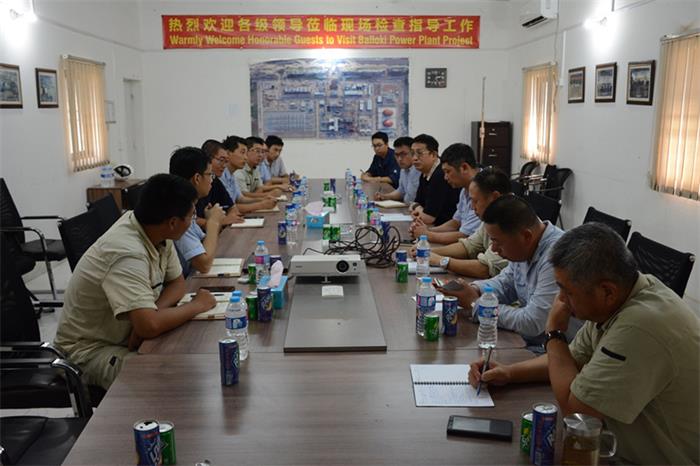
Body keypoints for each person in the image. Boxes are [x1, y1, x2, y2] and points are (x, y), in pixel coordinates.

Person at [468, 223, 699, 465]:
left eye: (567, 291)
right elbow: (572, 358)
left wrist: (554, 332)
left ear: (607, 291)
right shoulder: (622, 297)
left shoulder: (639, 326)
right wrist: (509, 373)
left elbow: (577, 412)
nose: (560, 300)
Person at [53, 174, 217, 389]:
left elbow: (177, 284)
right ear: (173, 222)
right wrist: (197, 305)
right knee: (171, 372)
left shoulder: (155, 230)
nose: (193, 221)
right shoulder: (126, 252)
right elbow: (150, 325)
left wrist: (149, 318)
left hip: (123, 336)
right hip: (88, 352)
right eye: (191, 216)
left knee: (188, 351)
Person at [439, 195, 582, 348]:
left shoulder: (557, 257)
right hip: (528, 341)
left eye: (497, 242)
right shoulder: (523, 248)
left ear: (526, 236)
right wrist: (475, 290)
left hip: (554, 350)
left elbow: (533, 323)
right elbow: (506, 283)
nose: (493, 249)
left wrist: (476, 305)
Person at [411, 167, 510, 278]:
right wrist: (429, 251)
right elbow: (468, 246)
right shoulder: (492, 216)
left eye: (476, 201)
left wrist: (441, 260)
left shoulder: (511, 220)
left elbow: (485, 269)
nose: (472, 207)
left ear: (495, 197)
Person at [169, 146, 225, 277]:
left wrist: (211, 221)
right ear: (197, 178)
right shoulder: (178, 211)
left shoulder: (189, 204)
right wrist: (213, 222)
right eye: (210, 175)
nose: (212, 180)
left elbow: (204, 242)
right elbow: (204, 265)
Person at [410, 143, 481, 244]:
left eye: (448, 172)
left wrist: (426, 235)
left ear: (464, 168)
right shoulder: (465, 189)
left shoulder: (483, 189)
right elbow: (456, 222)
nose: (445, 177)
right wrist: (426, 230)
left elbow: (466, 236)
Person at [410, 134, 460, 227]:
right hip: (437, 226)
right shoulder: (425, 173)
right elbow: (415, 203)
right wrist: (417, 208)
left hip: (447, 228)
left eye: (419, 153)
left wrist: (417, 208)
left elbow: (428, 218)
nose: (414, 158)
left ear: (433, 155)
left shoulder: (440, 175)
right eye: (412, 153)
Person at [220, 135, 277, 214]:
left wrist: (263, 199)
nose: (245, 158)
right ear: (228, 153)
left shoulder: (231, 174)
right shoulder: (221, 175)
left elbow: (240, 199)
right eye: (242, 153)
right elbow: (229, 208)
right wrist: (261, 205)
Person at [199, 139, 244, 226]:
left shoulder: (215, 180)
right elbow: (191, 220)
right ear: (207, 159)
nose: (224, 166)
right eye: (221, 160)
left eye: (226, 161)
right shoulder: (196, 183)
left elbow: (232, 207)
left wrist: (230, 218)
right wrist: (219, 222)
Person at [373, 136, 420, 204]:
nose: (399, 159)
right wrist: (385, 196)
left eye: (403, 154)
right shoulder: (403, 170)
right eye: (397, 155)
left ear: (413, 153)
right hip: (407, 207)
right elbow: (401, 191)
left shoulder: (419, 170)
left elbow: (411, 199)